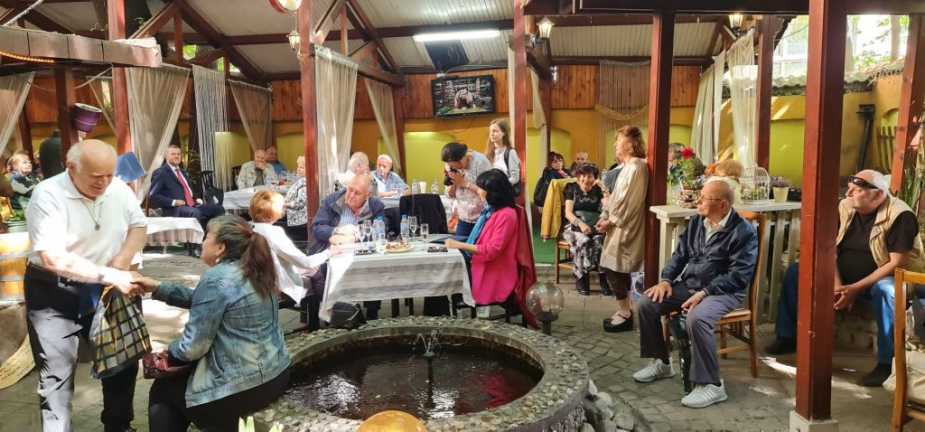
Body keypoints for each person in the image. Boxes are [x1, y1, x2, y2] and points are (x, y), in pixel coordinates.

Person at [24, 139, 147, 432]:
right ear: (71, 168)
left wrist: (122, 260)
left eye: (109, 175)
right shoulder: (47, 194)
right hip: (54, 289)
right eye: (96, 177)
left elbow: (139, 226)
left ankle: (118, 425)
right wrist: (108, 274)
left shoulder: (118, 188)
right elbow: (52, 257)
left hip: (109, 287)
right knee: (56, 372)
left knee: (122, 362)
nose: (104, 182)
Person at [765, 170, 925, 387]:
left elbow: (895, 263)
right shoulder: (845, 207)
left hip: (889, 277)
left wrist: (855, 289)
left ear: (878, 195)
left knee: (886, 290)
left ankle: (886, 364)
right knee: (797, 271)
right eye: (849, 188)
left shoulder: (900, 215)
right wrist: (838, 286)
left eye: (856, 190)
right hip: (846, 277)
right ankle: (787, 336)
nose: (848, 193)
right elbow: (830, 247)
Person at [134, 215, 290, 432]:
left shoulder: (217, 278)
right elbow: (207, 300)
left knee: (163, 393)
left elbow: (192, 348)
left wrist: (167, 354)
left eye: (207, 236)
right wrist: (158, 288)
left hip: (241, 388)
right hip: (276, 375)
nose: (202, 242)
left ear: (220, 247)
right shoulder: (253, 269)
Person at [632, 180, 757, 409]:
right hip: (691, 285)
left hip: (724, 291)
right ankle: (662, 363)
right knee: (647, 303)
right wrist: (666, 280)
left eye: (704, 198)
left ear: (722, 204)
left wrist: (705, 292)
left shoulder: (744, 232)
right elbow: (680, 255)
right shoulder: (698, 221)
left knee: (697, 318)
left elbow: (739, 276)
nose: (697, 201)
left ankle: (712, 385)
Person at [311, 173, 386, 320]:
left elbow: (382, 229)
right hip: (333, 252)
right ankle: (340, 312)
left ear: (367, 195)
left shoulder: (375, 206)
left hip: (362, 254)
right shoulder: (332, 201)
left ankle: (372, 313)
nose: (351, 195)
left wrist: (354, 237)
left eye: (357, 193)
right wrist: (336, 231)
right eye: (350, 189)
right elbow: (317, 227)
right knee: (329, 270)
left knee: (374, 267)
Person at [597, 126, 649, 331]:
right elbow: (617, 198)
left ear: (631, 144)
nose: (615, 144)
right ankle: (625, 310)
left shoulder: (636, 167)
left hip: (626, 225)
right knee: (613, 267)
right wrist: (605, 215)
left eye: (618, 140)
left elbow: (629, 201)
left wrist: (610, 220)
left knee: (614, 267)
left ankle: (626, 313)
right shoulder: (627, 166)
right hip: (618, 223)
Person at [446, 169, 520, 306]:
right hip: (483, 262)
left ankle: (447, 309)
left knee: (446, 271)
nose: (479, 192)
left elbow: (492, 250)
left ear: (493, 193)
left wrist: (459, 245)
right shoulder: (492, 209)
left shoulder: (506, 215)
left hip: (493, 270)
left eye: (481, 189)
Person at [250, 190, 329, 305]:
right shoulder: (273, 232)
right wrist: (329, 252)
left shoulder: (249, 228)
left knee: (311, 270)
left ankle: (319, 310)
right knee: (317, 272)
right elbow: (306, 263)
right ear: (274, 211)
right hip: (278, 285)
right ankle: (327, 309)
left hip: (257, 280)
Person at [561, 164, 609, 296]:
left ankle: (603, 278)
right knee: (584, 241)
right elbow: (568, 213)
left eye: (589, 176)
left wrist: (603, 188)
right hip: (574, 226)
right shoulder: (571, 188)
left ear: (595, 178)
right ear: (577, 177)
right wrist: (581, 224)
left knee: (600, 241)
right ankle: (582, 277)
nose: (586, 179)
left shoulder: (598, 189)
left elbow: (608, 207)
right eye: (582, 175)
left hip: (595, 226)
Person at [149, 145, 225, 226]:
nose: (176, 156)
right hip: (174, 209)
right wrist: (173, 202)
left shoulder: (183, 172)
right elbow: (153, 196)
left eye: (178, 154)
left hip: (192, 205)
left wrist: (196, 198)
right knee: (195, 213)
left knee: (219, 209)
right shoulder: (161, 172)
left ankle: (213, 233)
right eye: (173, 154)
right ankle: (199, 234)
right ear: (166, 156)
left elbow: (187, 190)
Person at [441, 142, 492, 241]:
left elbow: (487, 193)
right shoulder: (449, 165)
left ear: (464, 157)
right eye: (452, 166)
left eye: (459, 165)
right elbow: (450, 194)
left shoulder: (481, 162)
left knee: (479, 248)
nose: (458, 168)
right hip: (464, 217)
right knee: (460, 248)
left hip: (482, 217)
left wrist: (464, 183)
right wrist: (454, 183)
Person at [485, 119, 521, 194]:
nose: (492, 134)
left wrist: (499, 186)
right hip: (491, 193)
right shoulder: (489, 153)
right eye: (490, 131)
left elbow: (515, 178)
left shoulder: (510, 152)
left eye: (495, 131)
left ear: (504, 133)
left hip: (504, 193)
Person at [284, 156, 309, 241]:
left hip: (299, 220)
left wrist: (284, 204)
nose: (298, 169)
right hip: (296, 217)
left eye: (302, 167)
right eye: (298, 167)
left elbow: (300, 202)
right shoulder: (302, 179)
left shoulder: (305, 182)